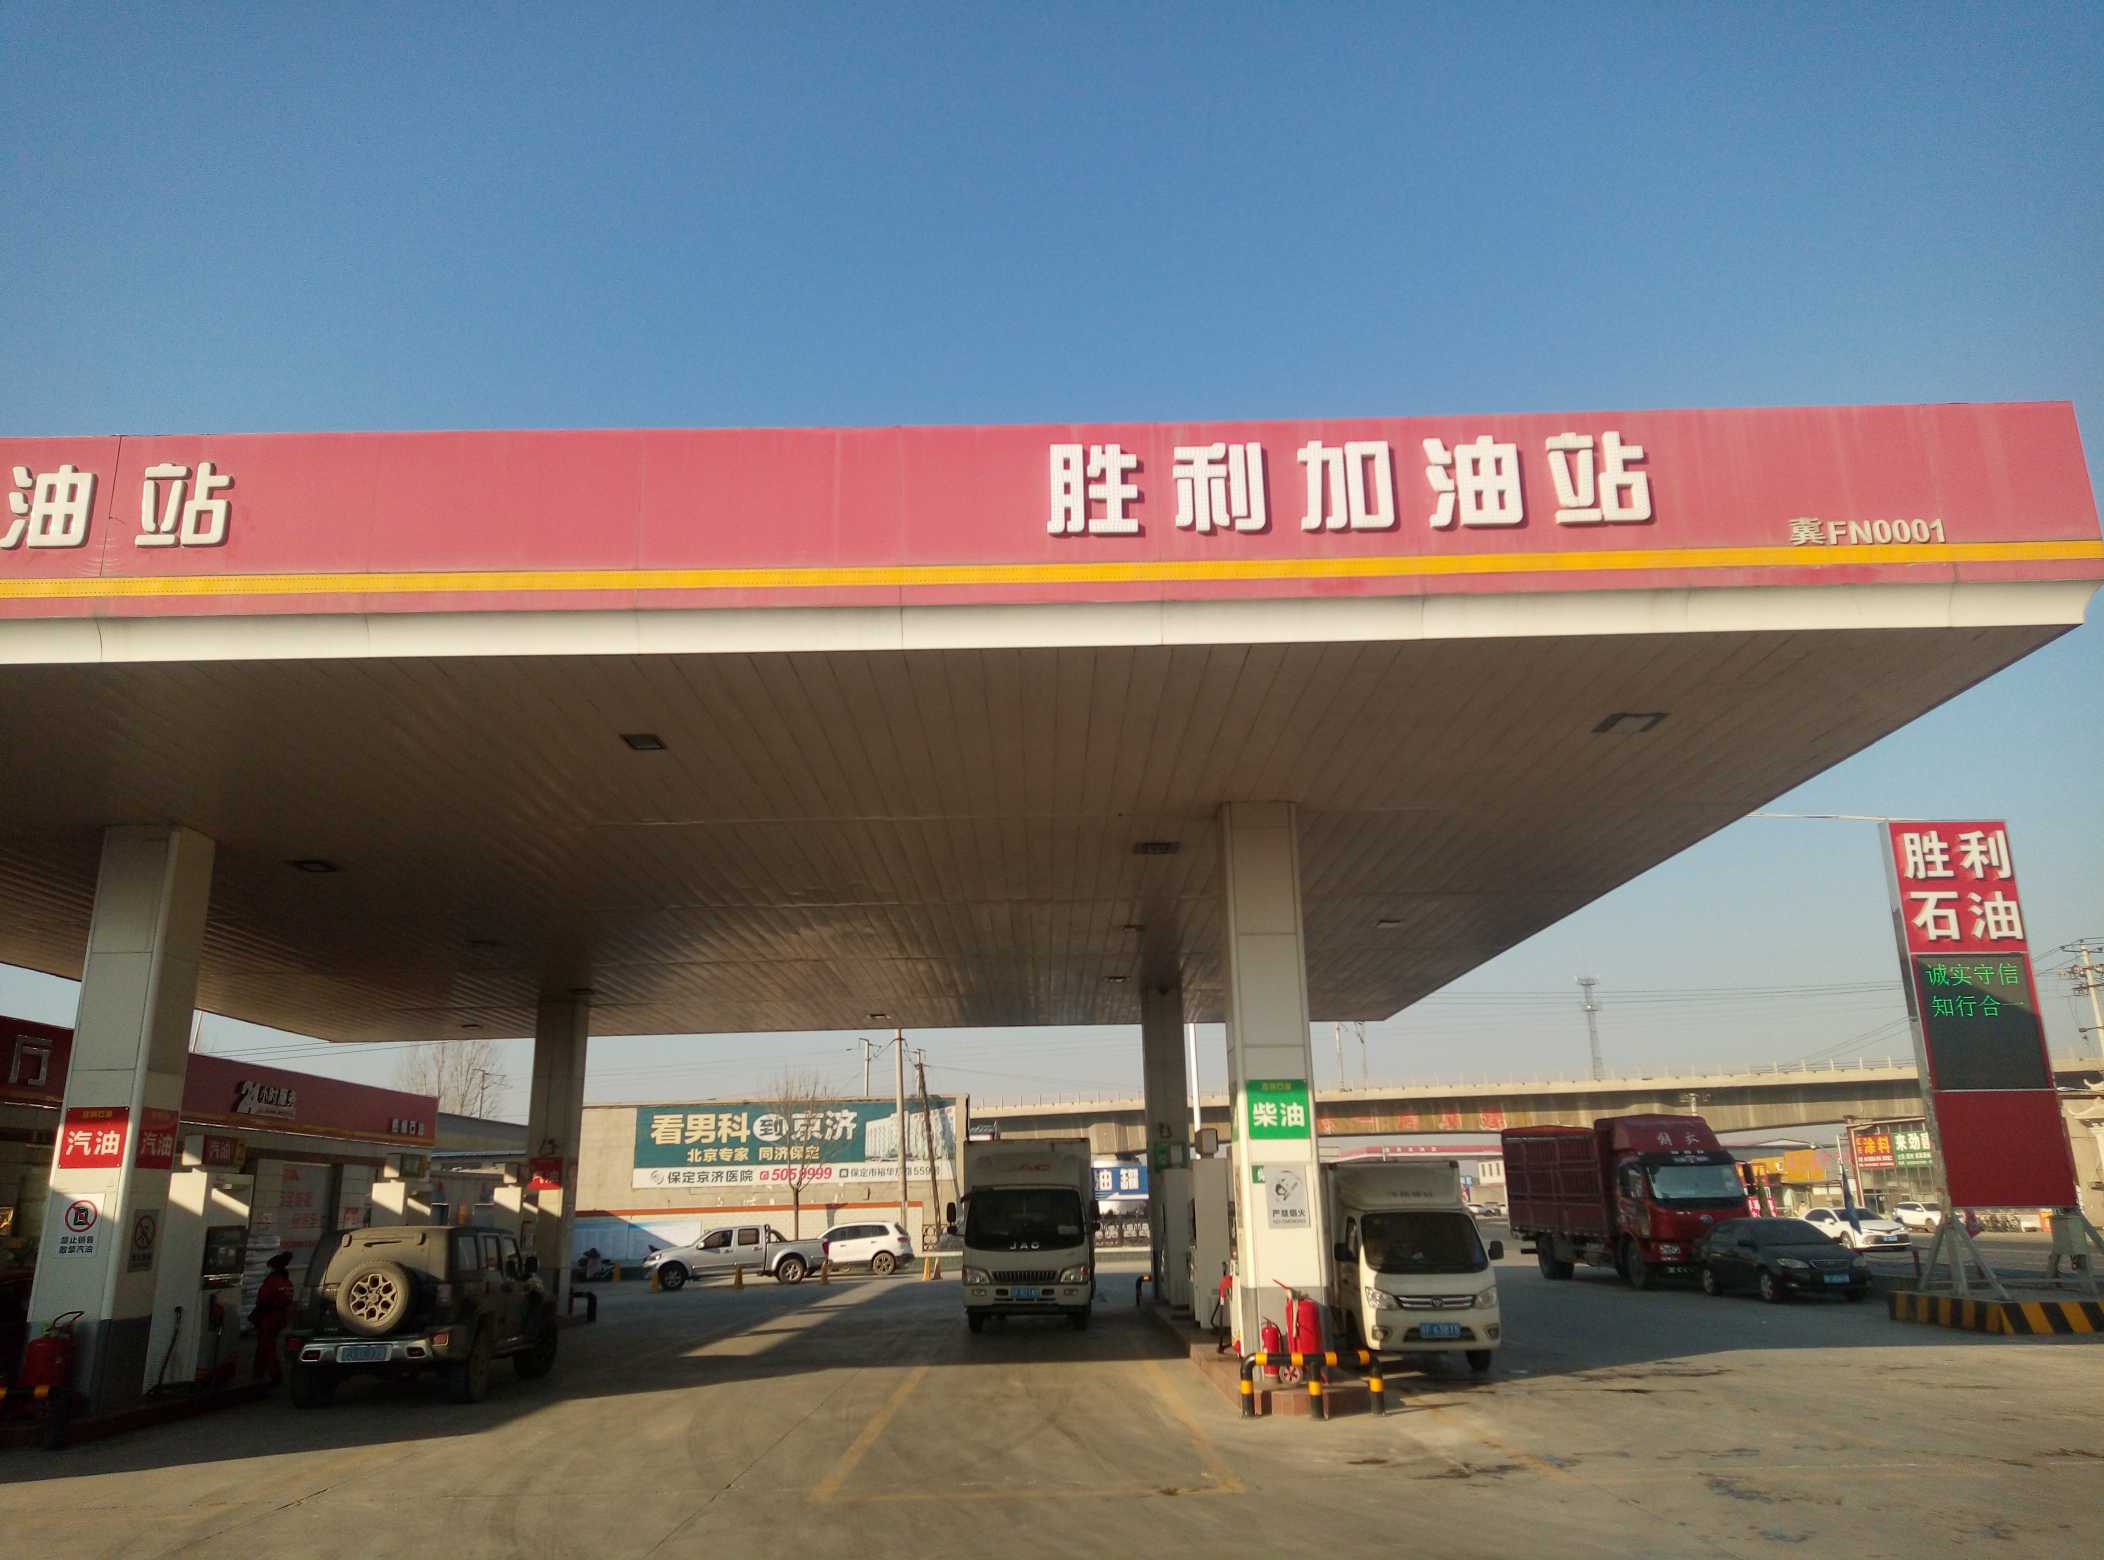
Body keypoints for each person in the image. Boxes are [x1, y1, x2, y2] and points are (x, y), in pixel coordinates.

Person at [251, 1250, 296, 1386]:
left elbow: (263, 1300)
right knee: (265, 1345)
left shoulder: (272, 1282)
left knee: (267, 1346)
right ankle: (259, 1373)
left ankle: (274, 1374)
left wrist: (257, 1315)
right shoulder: (287, 1282)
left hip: (269, 1317)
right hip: (279, 1317)